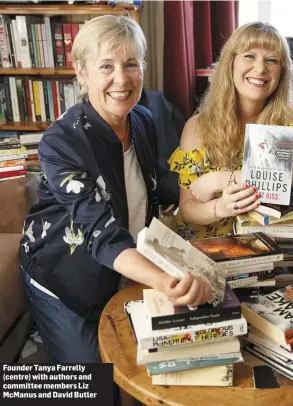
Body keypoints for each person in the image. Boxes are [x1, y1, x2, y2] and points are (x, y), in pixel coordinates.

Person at [19, 15, 212, 364]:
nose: (121, 79)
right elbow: (102, 235)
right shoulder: (60, 143)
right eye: (105, 66)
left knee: (163, 359)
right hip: (64, 274)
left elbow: (151, 199)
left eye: (131, 65)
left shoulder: (143, 120)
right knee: (94, 384)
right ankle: (39, 338)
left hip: (124, 264)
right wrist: (165, 279)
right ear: (82, 73)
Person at [168, 22, 293, 240]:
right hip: (207, 244)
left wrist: (217, 180)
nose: (260, 69)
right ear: (231, 63)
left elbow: (291, 180)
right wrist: (222, 206)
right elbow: (188, 209)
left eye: (271, 60)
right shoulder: (197, 126)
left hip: (264, 241)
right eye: (249, 56)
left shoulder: (288, 114)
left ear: (282, 71)